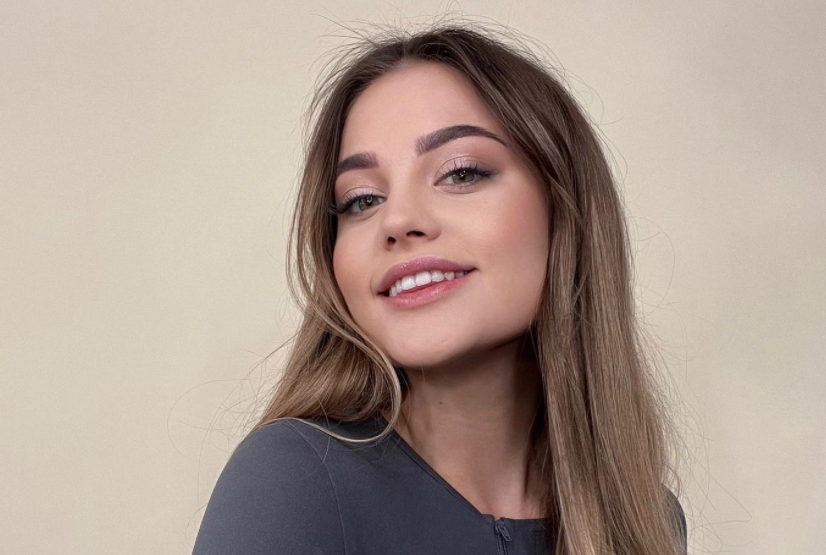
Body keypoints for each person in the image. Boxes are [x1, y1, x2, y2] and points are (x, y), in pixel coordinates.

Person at [192, 20, 687, 555]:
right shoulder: (294, 481)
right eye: (362, 199)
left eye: (460, 172)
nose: (398, 220)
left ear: (565, 208)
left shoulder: (644, 519)